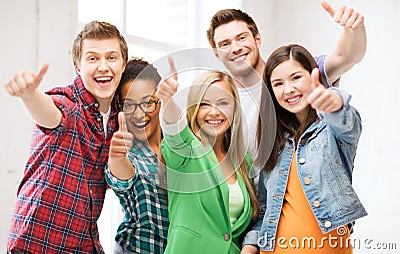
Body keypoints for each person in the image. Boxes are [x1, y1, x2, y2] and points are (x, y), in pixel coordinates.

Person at [4, 21, 128, 253]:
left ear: (123, 65)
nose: (103, 66)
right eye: (92, 58)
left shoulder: (118, 118)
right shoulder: (69, 103)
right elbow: (51, 114)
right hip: (37, 243)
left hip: (84, 241)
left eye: (111, 57)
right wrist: (29, 95)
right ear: (78, 67)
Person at [242, 44, 367, 253]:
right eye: (278, 84)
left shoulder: (330, 129)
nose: (289, 89)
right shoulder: (274, 141)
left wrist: (334, 103)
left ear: (313, 76)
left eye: (296, 78)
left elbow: (348, 123)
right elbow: (264, 211)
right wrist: (249, 246)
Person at [206, 1, 366, 161]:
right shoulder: (218, 101)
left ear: (257, 39)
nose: (235, 48)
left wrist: (353, 28)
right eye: (225, 44)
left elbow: (345, 57)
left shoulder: (295, 74)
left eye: (241, 38)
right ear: (217, 55)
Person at [157, 58, 259, 254]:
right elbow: (173, 129)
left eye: (223, 103)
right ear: (194, 109)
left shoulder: (243, 162)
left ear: (235, 108)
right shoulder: (186, 149)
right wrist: (167, 100)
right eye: (204, 104)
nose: (214, 112)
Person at [105, 57, 169, 254]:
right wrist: (116, 158)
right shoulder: (127, 153)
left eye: (148, 103)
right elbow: (121, 178)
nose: (139, 114)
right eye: (129, 105)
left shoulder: (178, 145)